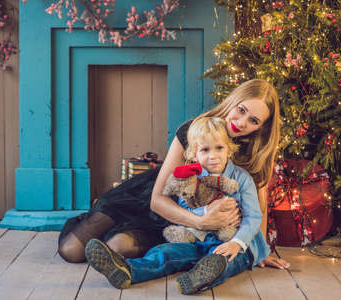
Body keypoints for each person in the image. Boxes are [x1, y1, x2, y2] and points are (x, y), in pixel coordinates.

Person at [58, 79, 289, 269]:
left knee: (117, 246)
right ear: (234, 100)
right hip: (151, 199)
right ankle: (88, 218)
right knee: (71, 250)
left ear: (261, 127)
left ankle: (129, 240)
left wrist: (262, 251)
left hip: (177, 224)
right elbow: (158, 200)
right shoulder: (193, 129)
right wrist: (202, 220)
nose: (241, 122)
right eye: (241, 110)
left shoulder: (255, 154)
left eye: (254, 121)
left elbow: (259, 204)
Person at [85, 117, 275, 294]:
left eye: (219, 148)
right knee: (167, 252)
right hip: (195, 239)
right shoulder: (189, 179)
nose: (213, 156)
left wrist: (237, 243)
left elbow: (253, 216)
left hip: (231, 242)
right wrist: (205, 212)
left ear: (229, 149)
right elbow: (185, 209)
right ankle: (128, 271)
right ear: (193, 154)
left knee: (226, 260)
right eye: (205, 150)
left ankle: (201, 277)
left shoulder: (241, 178)